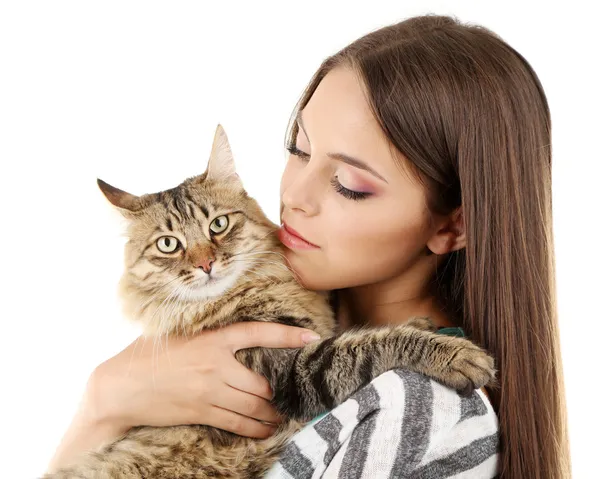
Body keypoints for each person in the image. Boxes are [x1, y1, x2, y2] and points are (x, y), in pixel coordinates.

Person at [46, 14, 570, 479]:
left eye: (348, 182)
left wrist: (107, 403)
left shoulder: (418, 408)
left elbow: (303, 382)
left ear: (453, 226)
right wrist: (104, 401)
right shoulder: (281, 318)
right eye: (298, 150)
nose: (293, 197)